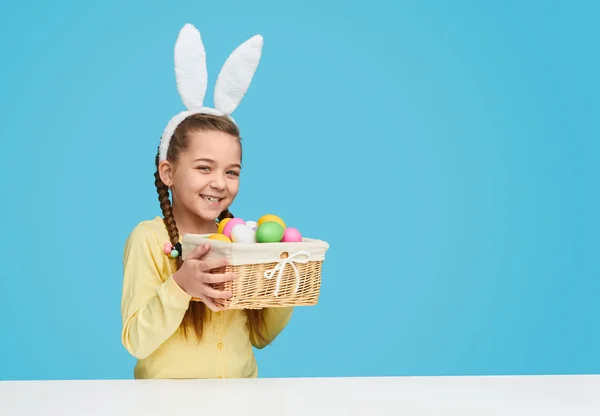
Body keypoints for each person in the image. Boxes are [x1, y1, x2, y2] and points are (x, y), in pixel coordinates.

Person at [120, 24, 293, 379]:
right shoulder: (151, 240)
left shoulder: (241, 240)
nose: (219, 182)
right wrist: (181, 285)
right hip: (167, 405)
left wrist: (283, 284)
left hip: (240, 401)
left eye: (232, 172)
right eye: (204, 168)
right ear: (168, 172)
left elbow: (259, 336)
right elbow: (137, 342)